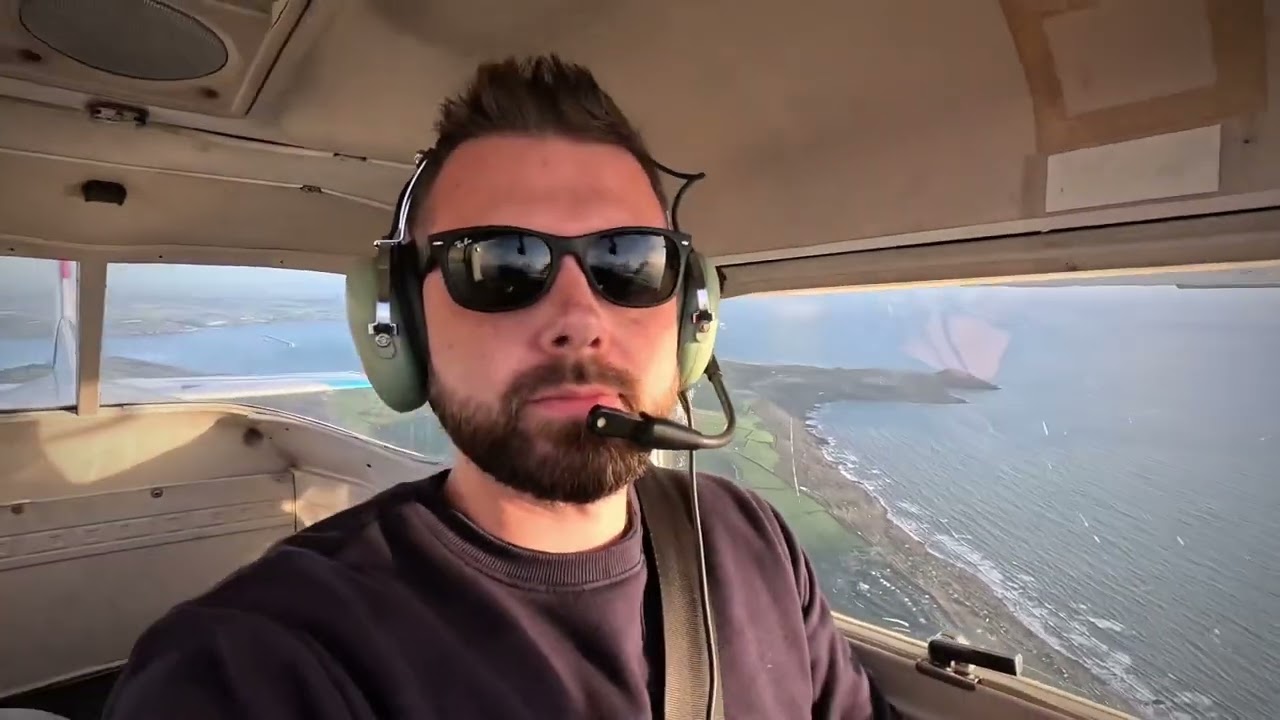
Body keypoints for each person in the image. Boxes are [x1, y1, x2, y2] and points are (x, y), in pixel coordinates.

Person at [103, 54, 884, 719]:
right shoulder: (262, 662)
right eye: (503, 264)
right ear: (400, 324)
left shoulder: (752, 543)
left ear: (691, 320)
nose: (581, 320)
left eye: (629, 264)